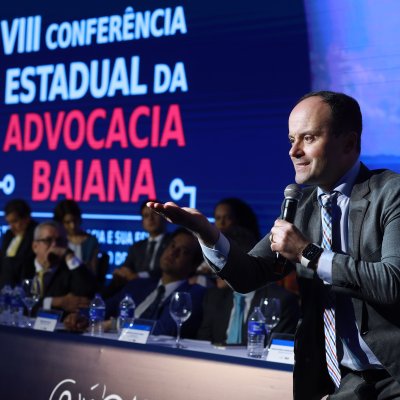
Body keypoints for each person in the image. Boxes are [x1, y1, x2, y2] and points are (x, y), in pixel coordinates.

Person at [147, 91, 400, 399]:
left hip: (392, 374)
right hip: (339, 382)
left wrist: (308, 253)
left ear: (348, 143)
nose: (294, 151)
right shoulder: (303, 205)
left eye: (308, 138)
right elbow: (248, 275)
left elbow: (392, 283)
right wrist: (205, 232)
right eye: (291, 139)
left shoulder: (390, 193)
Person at [65, 228, 205, 338]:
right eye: (172, 246)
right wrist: (81, 316)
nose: (173, 252)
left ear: (194, 265)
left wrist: (116, 325)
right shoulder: (138, 285)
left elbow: (166, 329)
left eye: (184, 252)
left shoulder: (193, 293)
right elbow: (105, 307)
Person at [101, 200, 170, 298]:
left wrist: (138, 276)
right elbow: (127, 268)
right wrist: (121, 273)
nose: (151, 219)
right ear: (142, 222)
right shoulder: (137, 247)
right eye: (146, 216)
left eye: (155, 214)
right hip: (137, 292)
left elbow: (168, 271)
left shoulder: (172, 243)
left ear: (164, 217)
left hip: (162, 291)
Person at [32, 221, 96, 316]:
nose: (54, 245)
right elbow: (22, 303)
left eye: (59, 241)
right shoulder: (21, 266)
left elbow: (87, 294)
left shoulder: (70, 270)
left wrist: (69, 255)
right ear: (35, 246)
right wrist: (55, 302)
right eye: (48, 240)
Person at [53, 199, 100, 277]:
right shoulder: (56, 241)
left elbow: (93, 271)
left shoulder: (91, 241)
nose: (72, 226)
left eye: (75, 221)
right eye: (67, 222)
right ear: (60, 223)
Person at [0, 199, 37, 288]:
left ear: (27, 218)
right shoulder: (9, 235)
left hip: (26, 288)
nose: (11, 226)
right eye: (9, 222)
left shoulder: (37, 234)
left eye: (15, 221)